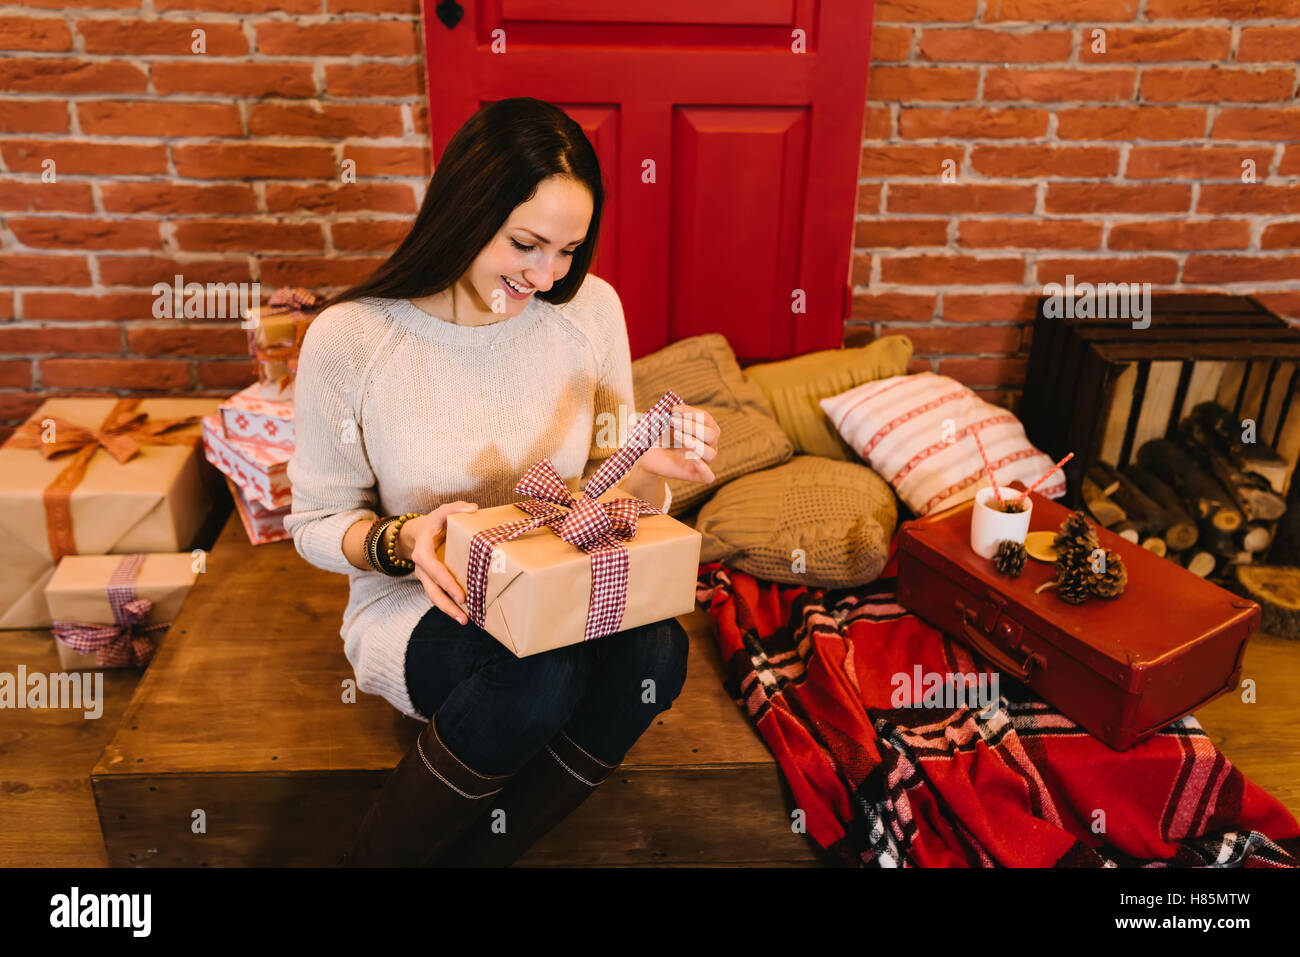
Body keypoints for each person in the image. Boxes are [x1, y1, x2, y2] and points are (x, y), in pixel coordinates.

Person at [283, 96, 721, 867]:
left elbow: (603, 490)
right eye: (526, 243)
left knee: (657, 654)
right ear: (466, 207)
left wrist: (647, 470)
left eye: (568, 250)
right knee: (539, 673)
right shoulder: (353, 339)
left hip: (560, 574)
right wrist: (402, 538)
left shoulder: (590, 311)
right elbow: (315, 522)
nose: (546, 274)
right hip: (424, 599)